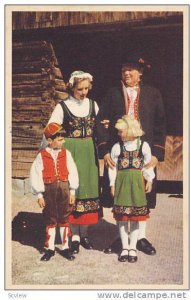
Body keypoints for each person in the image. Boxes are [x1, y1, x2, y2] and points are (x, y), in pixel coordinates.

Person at [97, 56, 166, 255]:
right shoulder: (112, 94)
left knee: (142, 195)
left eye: (131, 69)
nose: (126, 73)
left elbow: (161, 124)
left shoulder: (153, 94)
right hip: (119, 154)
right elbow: (100, 120)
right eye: (124, 69)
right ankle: (121, 239)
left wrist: (156, 154)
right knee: (118, 195)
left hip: (143, 154)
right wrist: (105, 149)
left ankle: (140, 238)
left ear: (140, 73)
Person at [47, 70, 102, 254]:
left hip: (88, 153)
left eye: (87, 88)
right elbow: (51, 128)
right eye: (80, 89)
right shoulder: (62, 107)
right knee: (72, 191)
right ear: (72, 88)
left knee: (87, 189)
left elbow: (101, 125)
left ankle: (84, 234)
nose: (84, 92)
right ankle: (73, 236)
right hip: (71, 152)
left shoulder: (93, 105)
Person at [30, 122, 79, 261]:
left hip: (64, 188)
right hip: (48, 190)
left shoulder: (66, 153)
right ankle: (50, 248)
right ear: (50, 140)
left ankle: (65, 247)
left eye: (63, 139)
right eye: (59, 139)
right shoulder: (42, 155)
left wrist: (73, 191)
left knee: (64, 217)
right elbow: (36, 174)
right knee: (50, 217)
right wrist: (39, 194)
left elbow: (73, 171)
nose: (63, 142)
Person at [109, 115, 155, 262]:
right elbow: (113, 168)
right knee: (122, 218)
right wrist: (112, 184)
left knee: (136, 218)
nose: (118, 134)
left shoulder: (143, 145)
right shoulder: (117, 147)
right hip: (122, 184)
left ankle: (133, 248)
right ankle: (124, 247)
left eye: (121, 131)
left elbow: (148, 164)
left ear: (130, 130)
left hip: (137, 185)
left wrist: (149, 179)